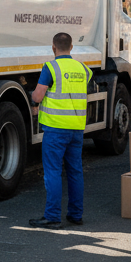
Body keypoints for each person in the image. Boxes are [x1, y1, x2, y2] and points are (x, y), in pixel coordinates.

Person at [28, 32, 92, 229]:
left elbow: (38, 96)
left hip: (56, 129)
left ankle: (53, 216)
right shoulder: (83, 69)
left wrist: (32, 99)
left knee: (53, 172)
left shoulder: (51, 67)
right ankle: (75, 215)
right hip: (76, 129)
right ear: (72, 47)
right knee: (75, 171)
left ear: (53, 47)